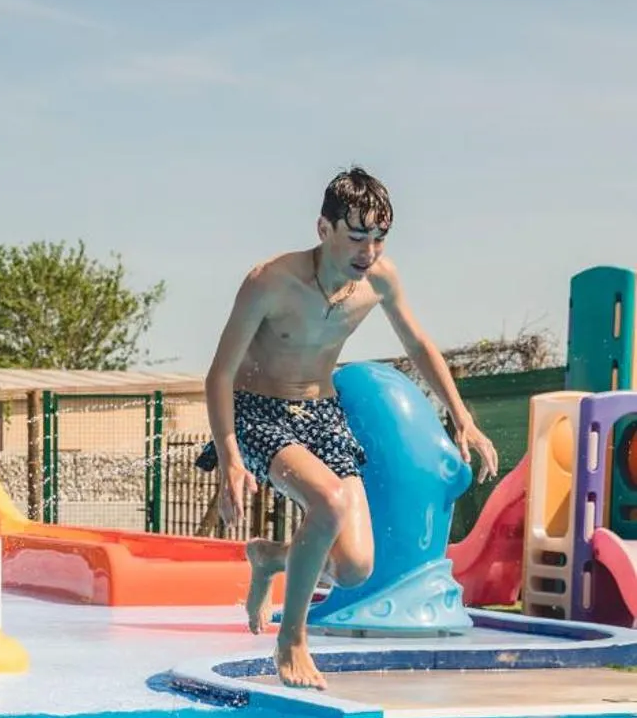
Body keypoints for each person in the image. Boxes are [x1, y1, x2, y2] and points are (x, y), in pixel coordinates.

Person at [200, 167, 498, 691]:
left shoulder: (379, 281)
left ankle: (272, 557)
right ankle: (290, 641)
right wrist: (230, 455)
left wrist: (463, 417)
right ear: (324, 229)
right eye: (357, 236)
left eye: (379, 237)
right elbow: (219, 374)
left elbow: (419, 345)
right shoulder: (269, 281)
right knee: (332, 502)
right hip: (258, 409)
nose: (369, 250)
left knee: (356, 568)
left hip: (322, 414)